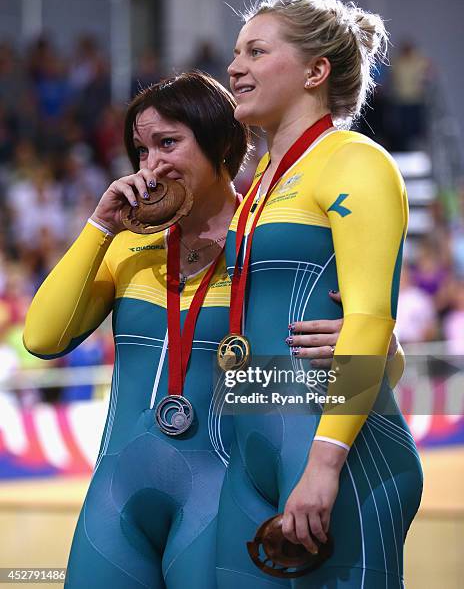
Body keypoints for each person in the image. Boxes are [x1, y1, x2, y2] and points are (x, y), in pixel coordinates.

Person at [22, 71, 370, 588]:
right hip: (116, 498)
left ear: (221, 143)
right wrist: (99, 226)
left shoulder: (275, 245)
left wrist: (374, 344)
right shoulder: (125, 247)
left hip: (222, 497)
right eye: (140, 151)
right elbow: (41, 338)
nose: (152, 166)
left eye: (168, 143)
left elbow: (368, 362)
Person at [216, 0, 422, 588]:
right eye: (236, 52)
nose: (234, 67)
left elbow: (367, 318)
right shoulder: (255, 190)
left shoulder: (355, 162)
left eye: (256, 51)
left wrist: (325, 464)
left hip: (341, 457)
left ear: (315, 71)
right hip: (254, 445)